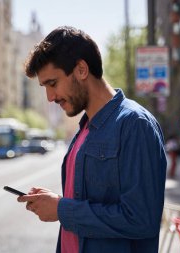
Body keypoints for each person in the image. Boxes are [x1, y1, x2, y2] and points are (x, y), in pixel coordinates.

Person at [17, 26, 167, 253]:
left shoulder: (135, 124)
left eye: (53, 83)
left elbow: (141, 219)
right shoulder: (84, 128)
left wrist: (61, 210)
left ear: (81, 69)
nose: (50, 97)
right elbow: (89, 204)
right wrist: (56, 202)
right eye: (45, 87)